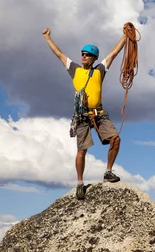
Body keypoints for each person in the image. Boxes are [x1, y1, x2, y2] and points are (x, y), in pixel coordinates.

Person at [42, 28, 126, 199]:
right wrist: (47, 38)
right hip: (81, 115)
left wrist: (126, 35)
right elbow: (59, 54)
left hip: (99, 114)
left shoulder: (99, 71)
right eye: (82, 54)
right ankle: (80, 183)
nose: (84, 56)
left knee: (115, 139)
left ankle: (108, 172)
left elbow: (114, 53)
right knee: (82, 150)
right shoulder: (75, 70)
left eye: (87, 55)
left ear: (94, 58)